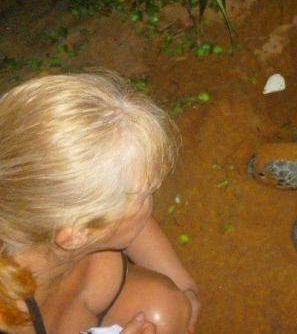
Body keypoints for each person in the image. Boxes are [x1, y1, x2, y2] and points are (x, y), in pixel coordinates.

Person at [0, 72, 200, 333]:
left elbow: (136, 230)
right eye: (144, 194)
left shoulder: (44, 213)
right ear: (77, 235)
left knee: (168, 307)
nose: (152, 199)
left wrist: (186, 287)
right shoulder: (11, 319)